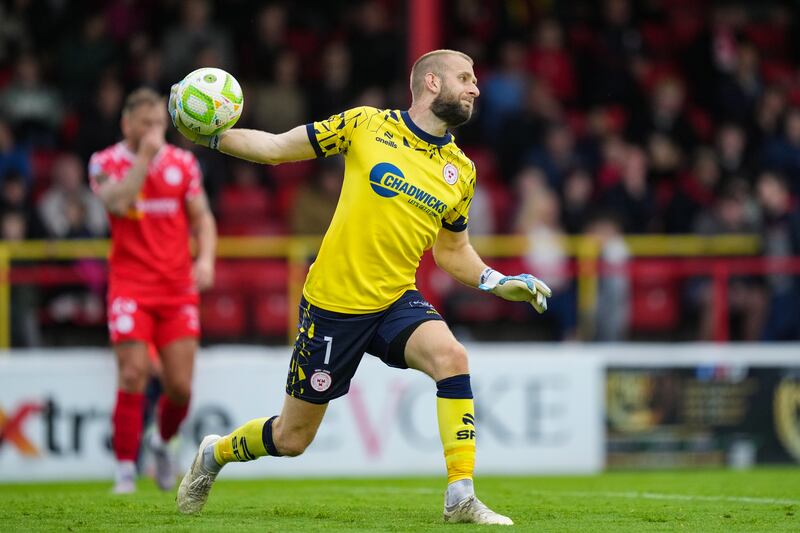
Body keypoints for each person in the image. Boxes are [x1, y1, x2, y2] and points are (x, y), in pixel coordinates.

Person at [169, 49, 550, 525]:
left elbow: (452, 251)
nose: (476, 88)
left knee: (453, 357)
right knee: (291, 439)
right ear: (431, 82)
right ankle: (215, 454)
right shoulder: (366, 125)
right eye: (465, 78)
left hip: (394, 301)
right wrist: (210, 137)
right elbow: (275, 148)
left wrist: (499, 282)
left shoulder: (461, 171)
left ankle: (460, 496)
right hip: (333, 305)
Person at [88, 88, 217, 494]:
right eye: (145, 124)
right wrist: (144, 158)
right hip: (130, 285)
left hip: (177, 286)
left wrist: (207, 260)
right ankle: (125, 471)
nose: (153, 131)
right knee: (133, 373)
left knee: (180, 387)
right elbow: (117, 202)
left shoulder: (184, 163)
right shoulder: (104, 162)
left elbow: (203, 219)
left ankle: (162, 444)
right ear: (126, 124)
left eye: (159, 124)